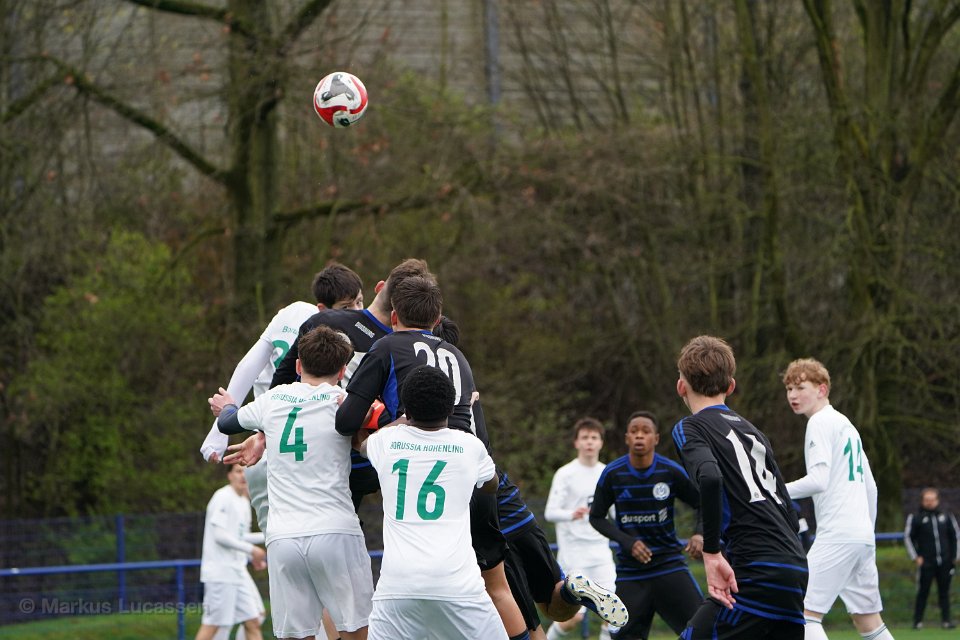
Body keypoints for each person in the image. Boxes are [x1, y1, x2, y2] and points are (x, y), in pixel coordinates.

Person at [336, 276, 628, 640]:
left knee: (495, 589)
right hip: (482, 471)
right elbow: (481, 442)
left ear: (393, 316)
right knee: (551, 603)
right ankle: (570, 590)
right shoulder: (458, 358)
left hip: (438, 483)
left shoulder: (386, 351)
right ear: (438, 318)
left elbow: (347, 423)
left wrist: (383, 422)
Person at [211, 325, 373, 640]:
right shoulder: (341, 400)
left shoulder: (273, 398)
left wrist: (228, 405)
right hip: (334, 531)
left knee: (296, 635)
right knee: (356, 632)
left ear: (298, 365)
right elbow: (369, 420)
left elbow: (228, 422)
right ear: (342, 371)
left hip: (283, 537)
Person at [672, 335, 807, 639]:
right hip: (794, 567)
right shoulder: (754, 433)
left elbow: (710, 477)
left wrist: (711, 552)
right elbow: (787, 508)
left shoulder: (690, 427)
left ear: (681, 386)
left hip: (754, 568)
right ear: (731, 386)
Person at [361, 364, 508, 639]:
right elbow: (492, 484)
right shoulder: (469, 445)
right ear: (451, 409)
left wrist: (396, 419)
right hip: (458, 585)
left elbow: (362, 444)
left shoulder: (388, 441)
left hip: (397, 587)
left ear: (407, 411)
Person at [782, 357, 895, 640]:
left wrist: (773, 491)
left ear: (822, 389)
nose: (793, 395)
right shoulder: (846, 424)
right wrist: (865, 532)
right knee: (868, 621)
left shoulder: (819, 422)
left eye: (801, 388)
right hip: (861, 537)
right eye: (789, 389)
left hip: (838, 535)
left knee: (801, 612)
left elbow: (818, 480)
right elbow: (871, 488)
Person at [589, 411, 703, 640]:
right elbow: (596, 517)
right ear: (627, 438)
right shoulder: (613, 473)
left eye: (646, 431)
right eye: (634, 431)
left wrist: (699, 534)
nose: (639, 436)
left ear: (656, 438)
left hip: (669, 565)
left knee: (702, 631)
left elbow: (703, 503)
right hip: (631, 573)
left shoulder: (670, 471)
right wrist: (627, 542)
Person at [543, 417, 618, 640]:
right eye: (585, 437)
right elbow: (550, 512)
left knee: (611, 616)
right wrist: (571, 514)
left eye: (594, 437)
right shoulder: (565, 473)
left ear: (601, 442)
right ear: (576, 442)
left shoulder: (608, 472)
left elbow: (616, 513)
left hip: (601, 555)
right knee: (572, 618)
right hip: (574, 556)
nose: (589, 442)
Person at [195, 465, 267, 640]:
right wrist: (252, 550)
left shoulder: (243, 501)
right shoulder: (222, 497)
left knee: (254, 620)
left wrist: (268, 536)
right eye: (238, 471)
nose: (243, 475)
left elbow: (240, 537)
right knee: (213, 625)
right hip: (220, 574)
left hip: (238, 572)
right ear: (229, 475)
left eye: (245, 471)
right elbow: (220, 536)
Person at [904, 487, 959, 629]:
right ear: (922, 501)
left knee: (944, 592)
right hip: (926, 562)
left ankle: (946, 621)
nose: (930, 502)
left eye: (932, 499)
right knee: (923, 592)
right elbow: (908, 537)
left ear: (937, 500)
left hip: (945, 561)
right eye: (927, 500)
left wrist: (955, 556)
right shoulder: (916, 518)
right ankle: (917, 622)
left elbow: (955, 536)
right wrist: (916, 557)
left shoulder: (946, 516)